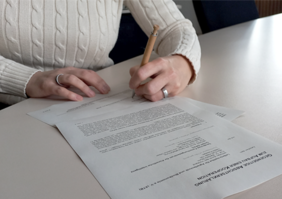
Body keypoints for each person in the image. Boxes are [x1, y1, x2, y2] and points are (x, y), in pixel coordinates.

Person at [0, 0, 201, 106]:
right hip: (8, 109)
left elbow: (175, 28)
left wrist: (182, 63)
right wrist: (29, 79)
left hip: (96, 103)